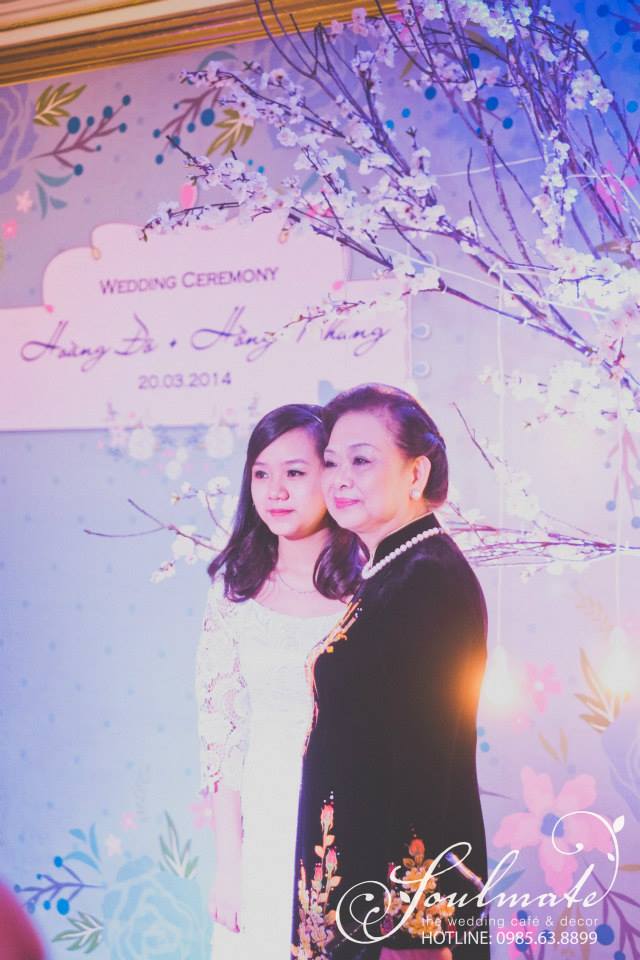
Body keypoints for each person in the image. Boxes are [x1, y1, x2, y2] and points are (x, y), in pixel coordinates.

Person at [292, 384, 490, 960]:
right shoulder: (394, 572)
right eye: (331, 462)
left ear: (416, 473)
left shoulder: (428, 581)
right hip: (358, 885)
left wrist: (414, 932)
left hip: (392, 917)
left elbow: (427, 757)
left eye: (361, 460)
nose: (339, 479)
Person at [195, 403, 362, 960]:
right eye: (261, 473)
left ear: (332, 474)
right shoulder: (234, 591)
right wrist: (230, 866)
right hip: (264, 826)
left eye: (295, 471)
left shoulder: (372, 588)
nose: (276, 490)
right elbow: (221, 738)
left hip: (352, 820)